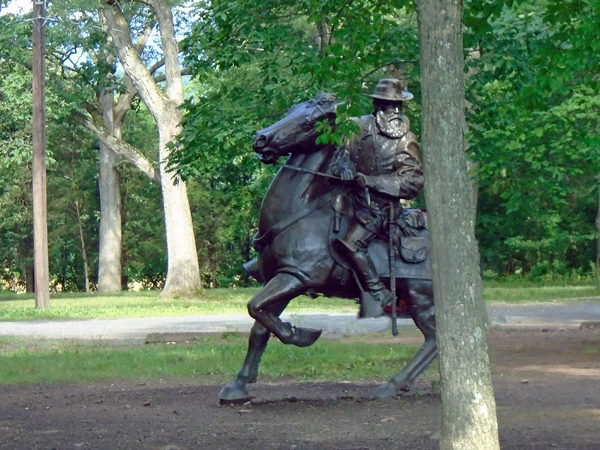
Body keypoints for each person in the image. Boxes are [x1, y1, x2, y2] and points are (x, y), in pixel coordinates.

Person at [328, 78, 424, 314]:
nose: (391, 111)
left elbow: (413, 181)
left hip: (380, 209)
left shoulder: (406, 139)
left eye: (395, 106)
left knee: (351, 244)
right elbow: (338, 157)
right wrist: (344, 169)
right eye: (386, 105)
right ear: (377, 105)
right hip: (348, 198)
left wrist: (370, 181)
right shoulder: (355, 128)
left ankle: (378, 291)